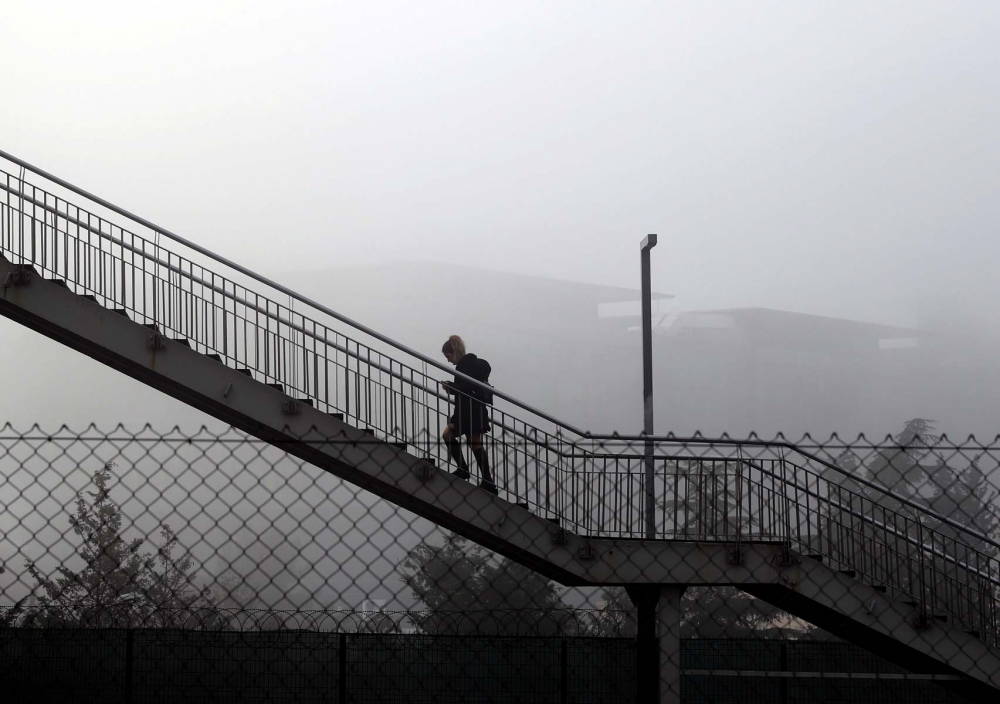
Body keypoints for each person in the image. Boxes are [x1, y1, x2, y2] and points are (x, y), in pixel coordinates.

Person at [440, 335, 497, 495]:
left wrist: (450, 387)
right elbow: (468, 387)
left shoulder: (464, 366)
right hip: (474, 410)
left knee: (456, 437)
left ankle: (471, 473)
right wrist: (453, 387)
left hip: (468, 410)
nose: (448, 360)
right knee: (472, 443)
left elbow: (465, 388)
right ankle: (485, 479)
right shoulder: (472, 364)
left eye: (448, 355)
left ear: (454, 352)